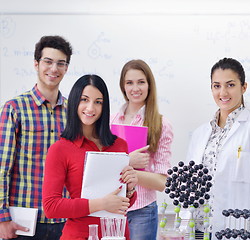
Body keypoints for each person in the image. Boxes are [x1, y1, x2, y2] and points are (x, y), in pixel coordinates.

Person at [186, 58, 250, 240]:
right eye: (216, 86)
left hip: (234, 229)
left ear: (243, 87)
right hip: (199, 229)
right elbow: (190, 187)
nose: (223, 92)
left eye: (230, 85)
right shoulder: (200, 134)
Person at [42, 74, 138, 240]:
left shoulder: (120, 145)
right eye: (84, 99)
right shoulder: (60, 149)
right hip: (80, 235)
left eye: (98, 102)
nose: (91, 108)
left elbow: (123, 203)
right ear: (74, 102)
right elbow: (51, 207)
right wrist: (101, 204)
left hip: (118, 234)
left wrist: (130, 189)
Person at [0, 35, 73, 239]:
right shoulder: (14, 109)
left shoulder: (74, 112)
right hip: (24, 221)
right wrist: (2, 217)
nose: (54, 69)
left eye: (60, 63)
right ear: (36, 64)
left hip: (63, 219)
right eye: (48, 62)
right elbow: (2, 167)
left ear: (66, 68)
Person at [110, 59, 173, 240]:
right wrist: (128, 161)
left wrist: (133, 174)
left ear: (149, 85)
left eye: (141, 82)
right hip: (113, 206)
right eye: (129, 83)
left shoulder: (161, 124)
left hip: (142, 211)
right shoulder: (111, 121)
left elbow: (162, 182)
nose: (135, 88)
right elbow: (101, 165)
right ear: (123, 86)